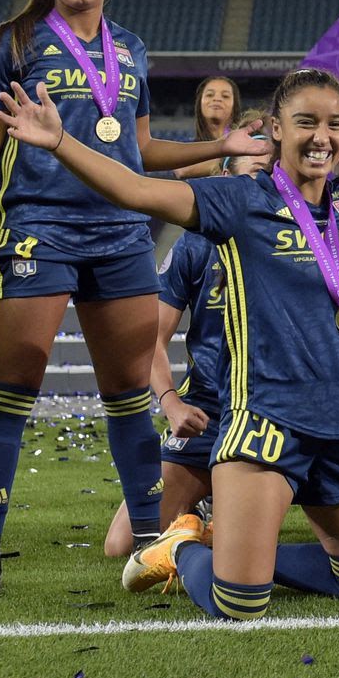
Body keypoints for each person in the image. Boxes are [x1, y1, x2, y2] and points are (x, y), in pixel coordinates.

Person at [0, 68, 339, 619]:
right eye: (305, 122)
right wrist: (60, 141)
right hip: (268, 423)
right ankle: (181, 549)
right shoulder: (236, 200)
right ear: (276, 129)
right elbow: (136, 189)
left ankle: (217, 544)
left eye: (331, 123)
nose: (321, 137)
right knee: (240, 601)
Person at [0, 0, 265, 600]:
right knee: (12, 395)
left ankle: (150, 550)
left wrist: (221, 147)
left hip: (120, 231)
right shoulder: (8, 43)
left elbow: (140, 151)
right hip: (38, 228)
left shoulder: (129, 49)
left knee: (129, 397)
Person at [101, 147, 274, 558]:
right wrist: (172, 403)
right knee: (122, 545)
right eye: (250, 174)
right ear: (223, 179)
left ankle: (234, 503)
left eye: (268, 174)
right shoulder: (195, 246)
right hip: (209, 412)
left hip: (279, 413)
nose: (259, 185)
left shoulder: (297, 241)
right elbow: (152, 339)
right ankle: (202, 508)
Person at [173, 75, 241, 180]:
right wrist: (233, 159)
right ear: (199, 104)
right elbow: (182, 170)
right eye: (209, 95)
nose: (217, 99)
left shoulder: (245, 141)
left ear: (234, 107)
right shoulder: (186, 145)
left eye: (225, 96)